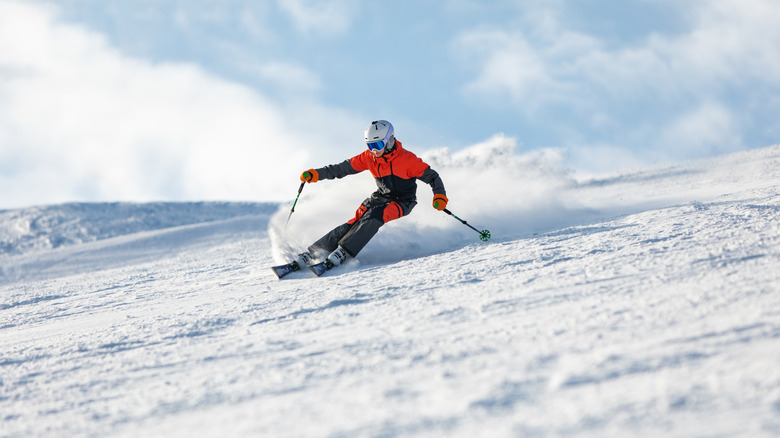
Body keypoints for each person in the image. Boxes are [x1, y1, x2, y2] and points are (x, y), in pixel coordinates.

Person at [294, 120, 448, 269]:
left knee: (375, 216)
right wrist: (316, 174)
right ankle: (315, 252)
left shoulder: (408, 160)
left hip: (402, 202)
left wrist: (439, 196)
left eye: (378, 145)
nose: (374, 150)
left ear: (389, 141)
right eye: (370, 146)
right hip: (380, 197)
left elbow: (433, 177)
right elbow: (341, 169)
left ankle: (344, 252)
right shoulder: (369, 158)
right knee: (356, 221)